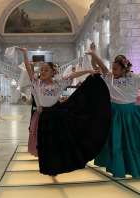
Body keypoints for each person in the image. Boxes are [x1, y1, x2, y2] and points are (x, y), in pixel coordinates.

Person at [19, 47, 111, 176]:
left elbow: (73, 75)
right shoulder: (37, 83)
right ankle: (48, 168)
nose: (43, 72)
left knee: (57, 142)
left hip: (57, 115)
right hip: (44, 116)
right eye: (42, 70)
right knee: (45, 144)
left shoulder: (59, 83)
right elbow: (29, 69)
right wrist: (24, 53)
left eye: (46, 70)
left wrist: (89, 70)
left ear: (53, 72)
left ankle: (59, 165)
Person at [88, 47, 140, 178]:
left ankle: (134, 167)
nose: (113, 71)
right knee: (116, 142)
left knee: (132, 142)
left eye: (116, 69)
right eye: (112, 68)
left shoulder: (135, 77)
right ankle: (118, 169)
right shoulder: (110, 77)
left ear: (124, 69)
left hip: (131, 114)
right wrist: (94, 54)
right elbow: (101, 66)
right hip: (115, 113)